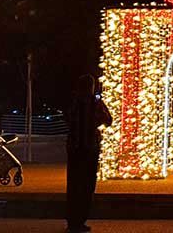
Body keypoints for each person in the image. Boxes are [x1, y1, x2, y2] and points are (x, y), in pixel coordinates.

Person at [66, 74, 112, 233]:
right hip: (90, 148)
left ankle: (73, 220)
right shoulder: (96, 103)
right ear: (92, 87)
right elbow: (108, 120)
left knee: (74, 184)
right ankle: (80, 219)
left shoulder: (73, 102)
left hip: (75, 148)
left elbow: (68, 119)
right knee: (87, 185)